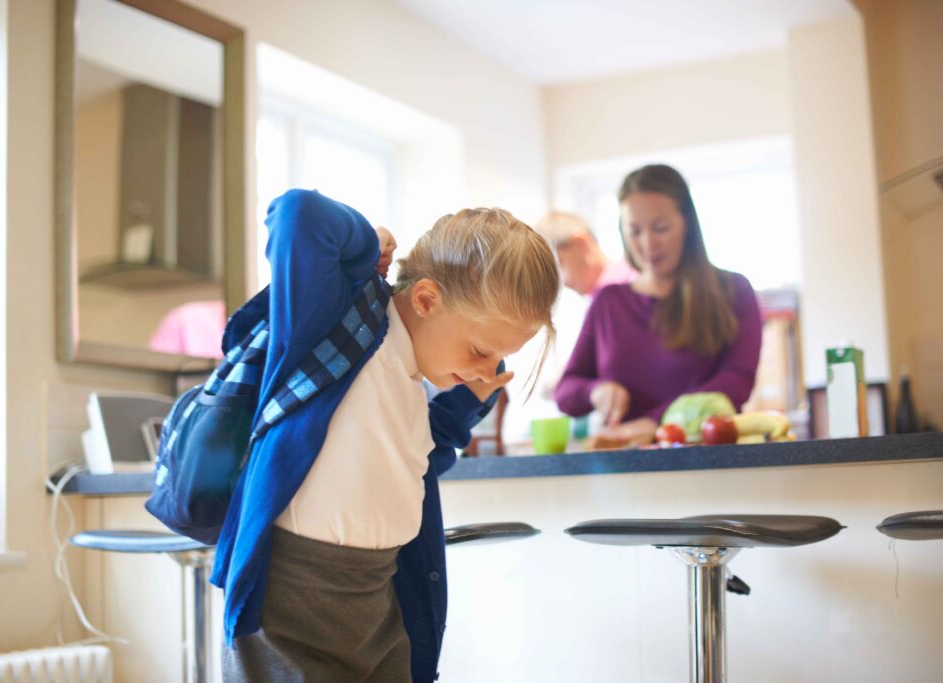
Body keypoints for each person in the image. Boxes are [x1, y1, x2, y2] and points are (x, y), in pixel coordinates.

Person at [213, 189, 560, 682]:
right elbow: (297, 213)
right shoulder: (335, 325)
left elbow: (423, 457)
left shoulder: (413, 384)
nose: (488, 370)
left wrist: (472, 390)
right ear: (424, 299)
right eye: (481, 350)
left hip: (381, 609)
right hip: (291, 609)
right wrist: (362, 245)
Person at [554, 164, 762, 445]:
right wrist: (596, 390)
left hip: (710, 462)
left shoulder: (734, 291)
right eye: (635, 231)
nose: (648, 243)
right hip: (627, 468)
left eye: (660, 228)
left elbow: (736, 382)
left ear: (686, 223)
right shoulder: (608, 302)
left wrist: (654, 423)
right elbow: (566, 391)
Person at [534, 211, 634, 297]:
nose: (563, 282)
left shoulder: (627, 284)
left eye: (560, 264)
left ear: (581, 243)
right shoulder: (596, 297)